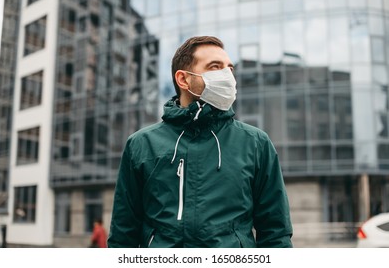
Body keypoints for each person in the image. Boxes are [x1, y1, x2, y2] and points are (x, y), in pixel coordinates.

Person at [108, 36, 293, 248]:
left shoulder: (256, 143)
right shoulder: (141, 145)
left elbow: (276, 234)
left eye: (229, 68)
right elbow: (123, 236)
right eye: (215, 67)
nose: (227, 76)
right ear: (183, 79)